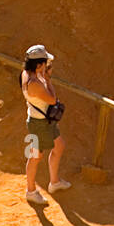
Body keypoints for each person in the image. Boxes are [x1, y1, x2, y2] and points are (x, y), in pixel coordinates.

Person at [21, 43, 70, 207]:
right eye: (44, 63)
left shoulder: (26, 74)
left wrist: (43, 76)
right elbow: (52, 99)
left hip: (42, 121)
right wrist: (48, 80)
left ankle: (54, 182)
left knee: (59, 146)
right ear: (39, 64)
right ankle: (31, 191)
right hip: (38, 124)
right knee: (35, 156)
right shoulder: (35, 83)